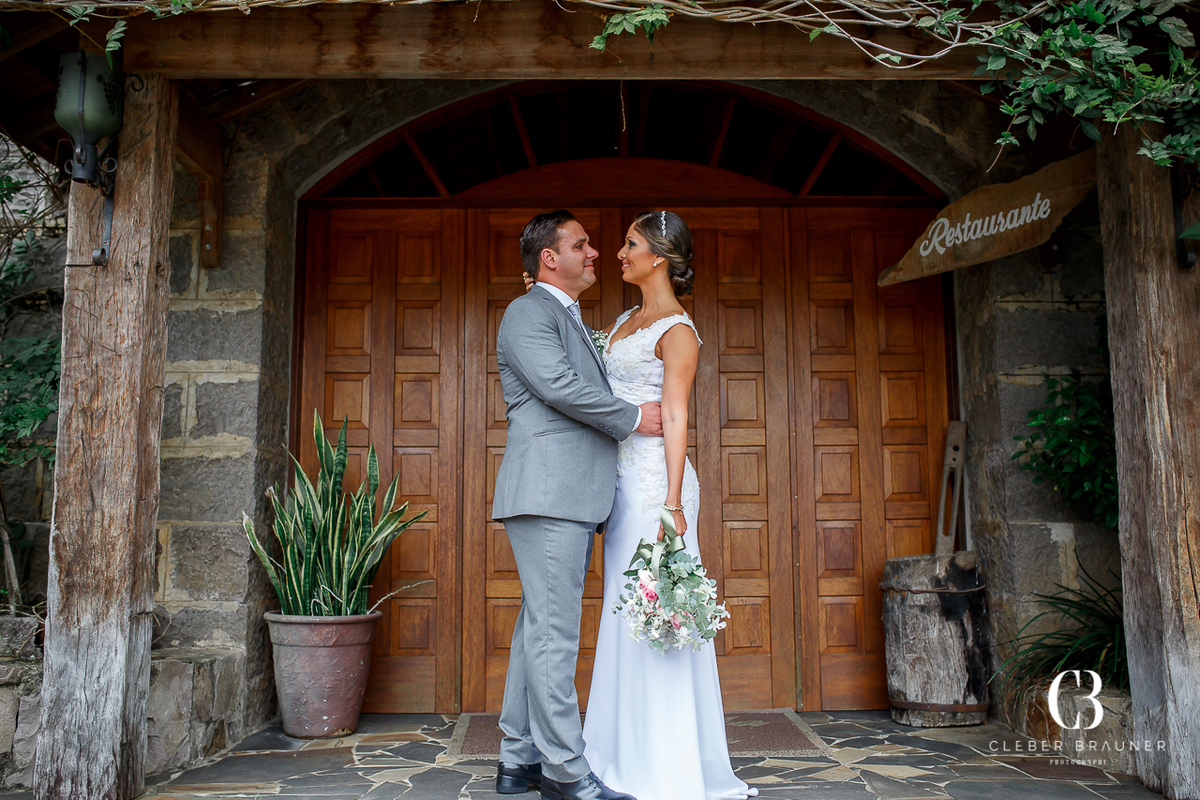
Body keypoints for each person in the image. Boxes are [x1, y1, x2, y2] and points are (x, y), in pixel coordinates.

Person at [579, 211, 757, 800]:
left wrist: (675, 503)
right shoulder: (628, 318)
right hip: (620, 482)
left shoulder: (678, 331)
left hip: (658, 485)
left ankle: (664, 762)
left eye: (630, 244)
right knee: (621, 611)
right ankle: (614, 751)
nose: (620, 252)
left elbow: (677, 415)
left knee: (656, 612)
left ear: (658, 256)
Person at [492, 210, 664, 800]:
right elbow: (560, 387)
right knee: (554, 634)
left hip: (564, 493)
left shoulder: (564, 315)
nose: (594, 253)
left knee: (536, 629)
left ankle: (517, 760)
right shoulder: (528, 312)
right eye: (582, 245)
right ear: (549, 257)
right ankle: (566, 771)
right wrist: (637, 417)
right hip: (548, 492)